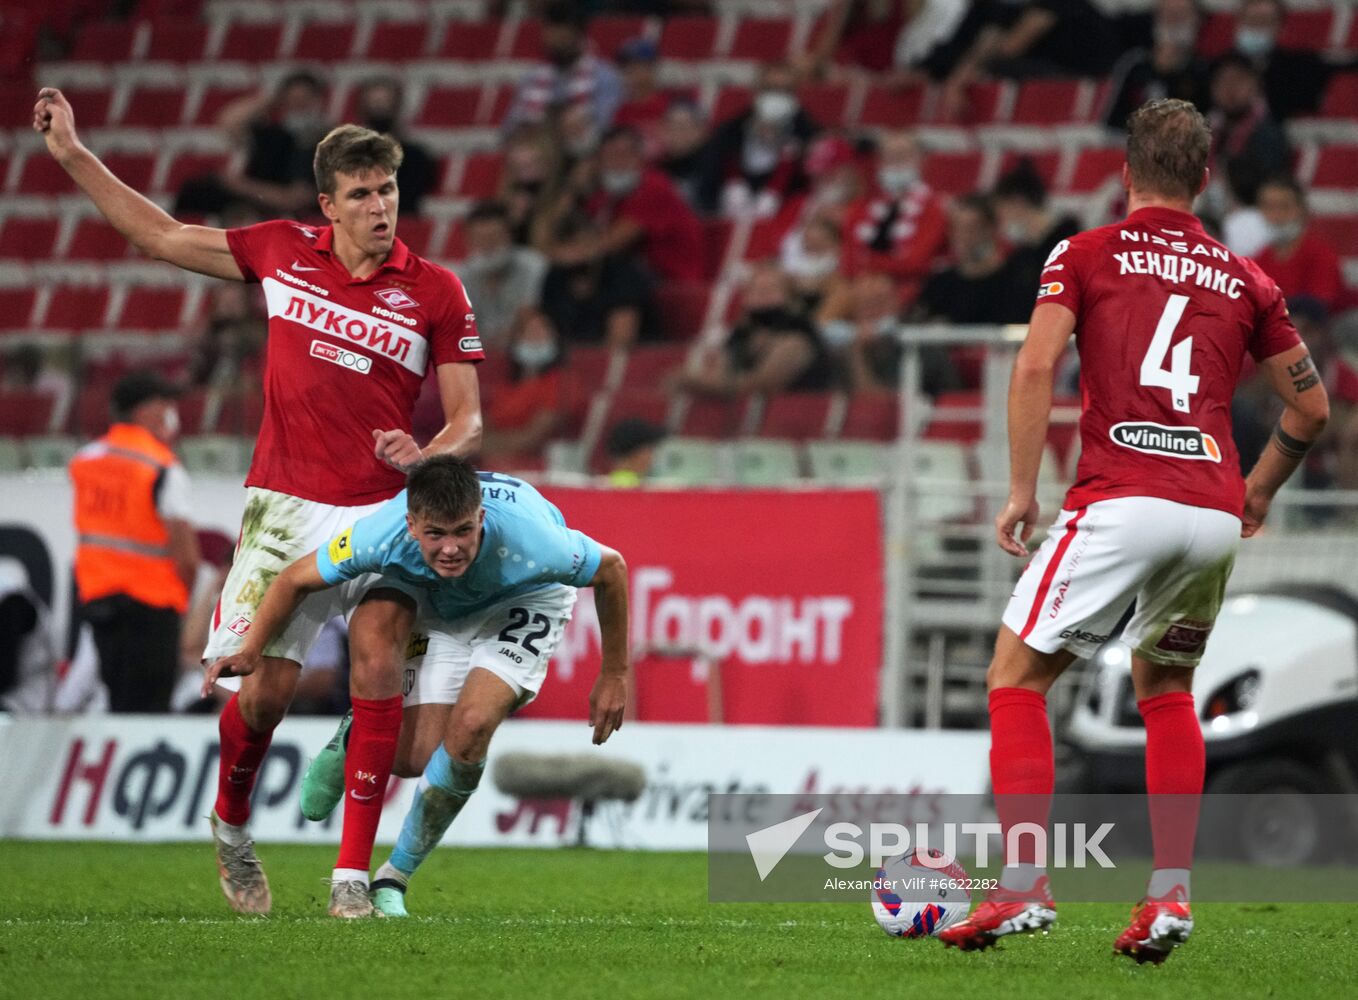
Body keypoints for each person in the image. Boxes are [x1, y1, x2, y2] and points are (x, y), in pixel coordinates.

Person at [33, 88, 484, 917]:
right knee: (265, 698)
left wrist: (428, 455)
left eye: (387, 189)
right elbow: (161, 235)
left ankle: (351, 878)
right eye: (361, 193)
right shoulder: (279, 250)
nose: (380, 206)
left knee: (378, 660)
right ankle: (234, 831)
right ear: (328, 204)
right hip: (283, 507)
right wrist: (71, 154)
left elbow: (470, 420)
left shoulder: (435, 290)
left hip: (383, 510)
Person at [936, 99, 1329, 963]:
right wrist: (1257, 493)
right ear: (1205, 179)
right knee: (1165, 692)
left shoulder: (1085, 253)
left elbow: (1036, 362)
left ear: (1125, 174)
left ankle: (1024, 886)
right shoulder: (1248, 276)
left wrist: (1018, 491)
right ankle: (1168, 898)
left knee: (1016, 676)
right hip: (1211, 510)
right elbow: (1312, 405)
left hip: (1124, 495)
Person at [203, 455, 630, 917]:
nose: (451, 547)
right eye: (436, 534)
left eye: (463, 531)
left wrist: (614, 674)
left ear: (481, 517)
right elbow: (293, 580)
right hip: (445, 602)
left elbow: (613, 569)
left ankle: (394, 876)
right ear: (411, 526)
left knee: (470, 729)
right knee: (407, 759)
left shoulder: (536, 542)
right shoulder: (381, 534)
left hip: (524, 598)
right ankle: (355, 730)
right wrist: (250, 650)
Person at [70, 371, 200, 713]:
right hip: (152, 607)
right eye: (164, 405)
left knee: (118, 700)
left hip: (100, 603)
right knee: (149, 709)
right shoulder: (161, 467)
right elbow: (187, 555)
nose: (170, 414)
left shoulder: (87, 460)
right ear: (144, 412)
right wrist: (180, 602)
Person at [175, 70, 332, 219]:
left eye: (303, 102)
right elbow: (229, 122)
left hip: (285, 218)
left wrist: (242, 186)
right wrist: (273, 98)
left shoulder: (326, 141)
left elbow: (297, 199)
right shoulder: (272, 134)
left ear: (318, 101)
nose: (297, 108)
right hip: (254, 206)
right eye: (292, 101)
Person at [570, 125, 706, 283]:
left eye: (626, 155)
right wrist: (576, 189)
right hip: (636, 272)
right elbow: (583, 231)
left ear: (641, 157)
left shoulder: (653, 186)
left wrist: (558, 255)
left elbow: (611, 243)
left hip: (669, 277)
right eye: (610, 156)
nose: (619, 163)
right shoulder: (605, 193)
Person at [840, 130, 947, 286]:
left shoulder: (933, 208)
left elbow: (915, 263)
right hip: (859, 286)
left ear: (922, 161)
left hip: (906, 287)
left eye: (903, 156)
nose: (896, 163)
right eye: (889, 157)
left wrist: (869, 264)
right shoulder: (861, 207)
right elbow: (848, 261)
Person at [502, 1, 623, 136]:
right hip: (538, 150)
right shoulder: (531, 78)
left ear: (578, 35)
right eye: (549, 31)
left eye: (560, 32)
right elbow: (508, 131)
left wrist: (581, 122)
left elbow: (608, 128)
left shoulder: (604, 77)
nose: (553, 39)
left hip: (586, 150)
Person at [914, 193, 1028, 325]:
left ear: (991, 229)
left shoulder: (1017, 281)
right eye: (955, 228)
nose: (962, 237)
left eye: (971, 229)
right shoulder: (940, 285)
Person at [1103, 0, 1210, 130]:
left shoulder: (1204, 71)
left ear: (1197, 20)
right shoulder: (1135, 64)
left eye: (1181, 15)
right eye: (1167, 15)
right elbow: (1113, 121)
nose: (1173, 22)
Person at [457, 200, 548, 346]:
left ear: (509, 235)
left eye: (494, 238)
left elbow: (530, 313)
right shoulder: (466, 275)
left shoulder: (532, 265)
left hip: (526, 348)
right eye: (481, 240)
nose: (488, 247)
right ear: (469, 241)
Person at [1253, 175, 1346, 315]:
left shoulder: (1321, 255)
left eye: (1284, 207)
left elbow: (1317, 310)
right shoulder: (1258, 261)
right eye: (1268, 207)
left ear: (1301, 209)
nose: (1276, 216)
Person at [992, 159, 1081, 300]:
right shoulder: (1022, 257)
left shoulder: (1071, 241)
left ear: (1017, 203)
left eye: (1002, 212)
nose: (1001, 222)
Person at [1229, 0, 1328, 121]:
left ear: (1280, 27)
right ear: (1238, 22)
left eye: (1265, 22)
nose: (1257, 27)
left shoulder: (1300, 67)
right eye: (1252, 20)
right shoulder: (1218, 68)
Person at [354, 77, 437, 217]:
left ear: (397, 107)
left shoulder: (416, 156)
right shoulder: (346, 155)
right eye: (374, 103)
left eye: (385, 103)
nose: (379, 108)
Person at [605, 417, 667, 487]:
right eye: (649, 449)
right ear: (636, 453)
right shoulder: (627, 486)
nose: (652, 455)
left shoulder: (611, 482)